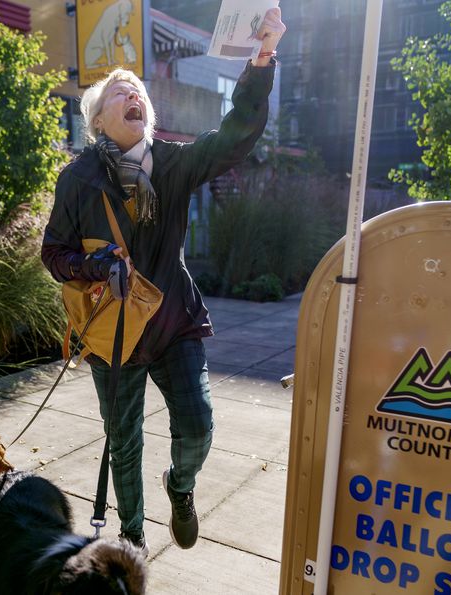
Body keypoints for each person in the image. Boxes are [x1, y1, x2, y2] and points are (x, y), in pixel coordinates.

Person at [41, 8, 286, 557]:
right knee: (123, 445)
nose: (133, 94)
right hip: (115, 332)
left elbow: (233, 138)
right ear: (98, 121)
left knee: (197, 425)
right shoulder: (78, 179)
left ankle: (181, 488)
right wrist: (95, 263)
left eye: (138, 91)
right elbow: (53, 252)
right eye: (117, 92)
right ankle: (129, 540)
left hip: (173, 320)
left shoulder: (172, 164)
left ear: (146, 114)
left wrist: (262, 58)